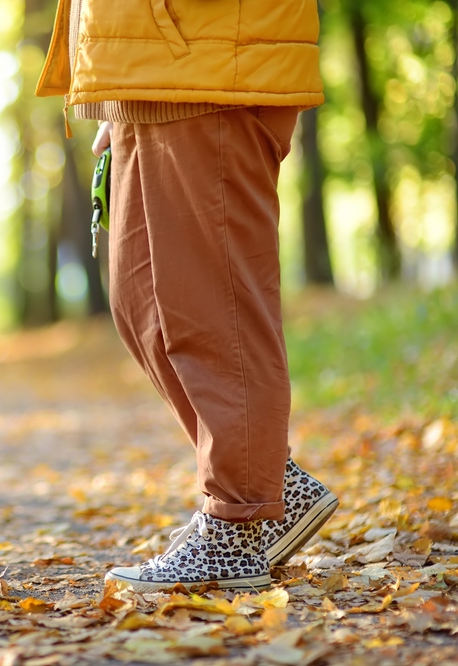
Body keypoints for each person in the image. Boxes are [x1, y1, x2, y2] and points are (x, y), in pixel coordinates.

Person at [36, 0, 339, 591]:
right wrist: (119, 81)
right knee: (140, 301)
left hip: (212, 62)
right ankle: (268, 478)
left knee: (213, 310)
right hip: (151, 71)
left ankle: (235, 527)